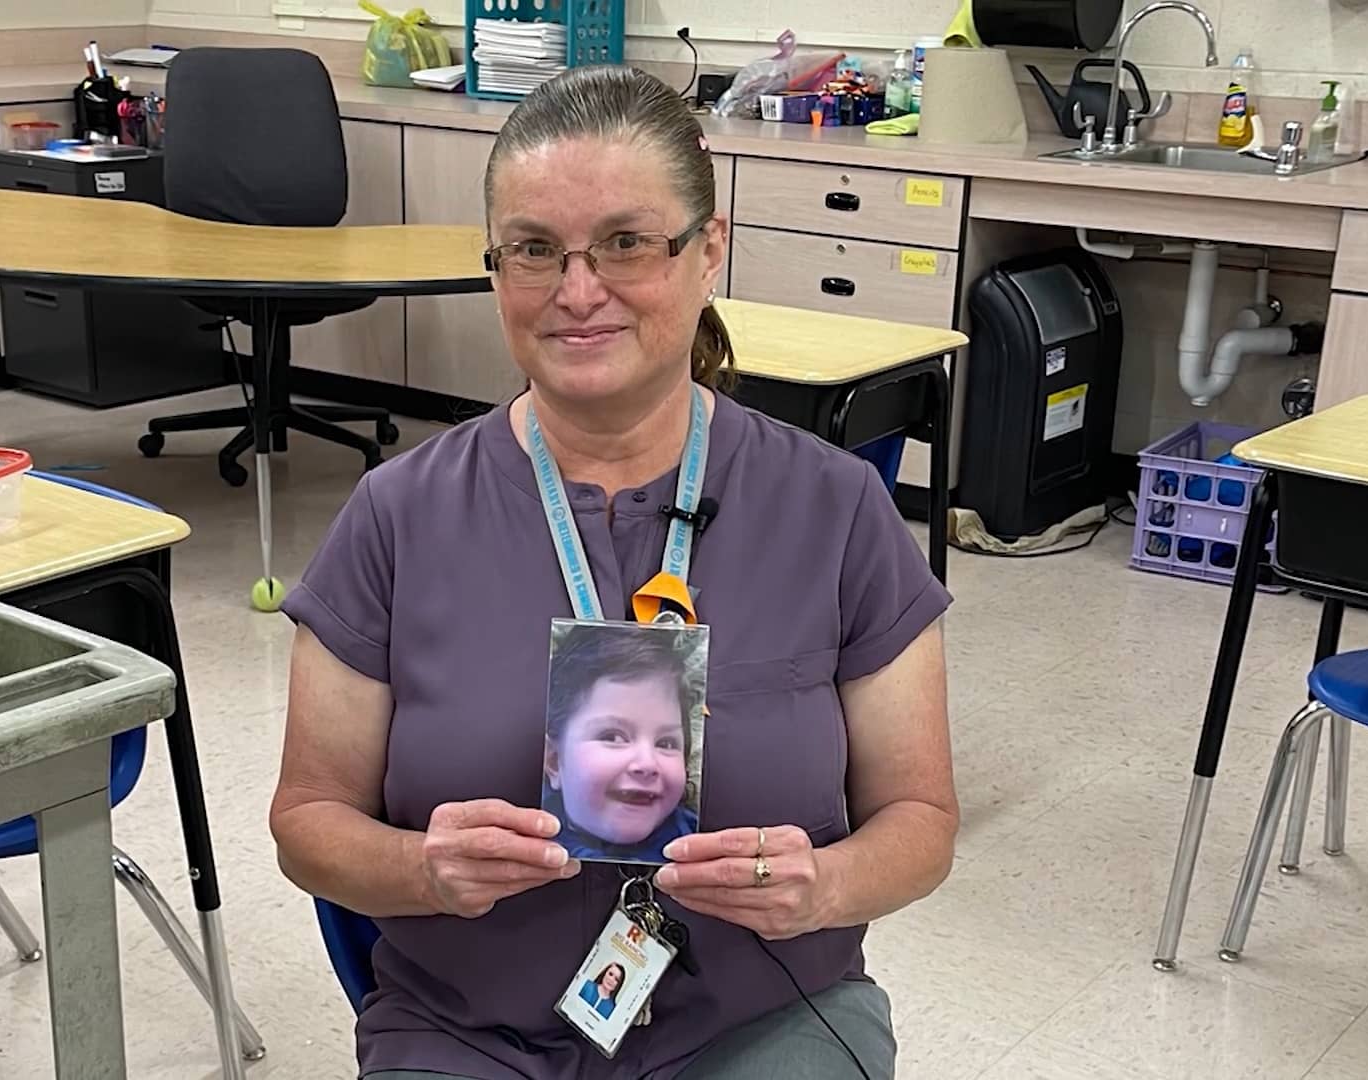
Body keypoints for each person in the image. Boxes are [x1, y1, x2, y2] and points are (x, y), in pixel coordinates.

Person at [269, 63, 957, 1080]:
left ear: (708, 251)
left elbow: (922, 821)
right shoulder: (397, 517)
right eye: (534, 250)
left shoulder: (837, 509)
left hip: (765, 1017)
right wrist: (420, 867)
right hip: (471, 1033)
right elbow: (305, 822)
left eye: (627, 242)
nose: (578, 291)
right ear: (496, 268)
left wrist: (828, 886)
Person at [544, 623, 701, 863]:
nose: (647, 764)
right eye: (613, 737)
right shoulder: (515, 847)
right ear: (554, 761)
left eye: (666, 743)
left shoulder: (704, 843)